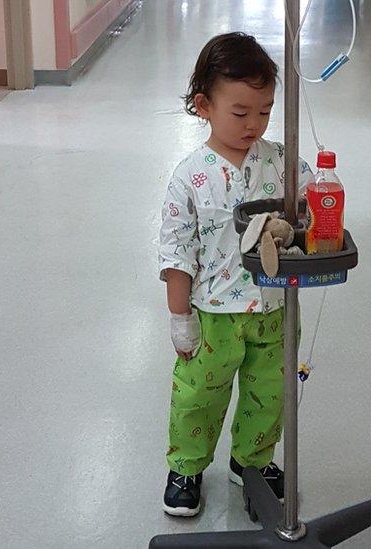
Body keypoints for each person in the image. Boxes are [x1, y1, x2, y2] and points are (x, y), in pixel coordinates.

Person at [158, 32, 313, 517]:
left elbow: (315, 195)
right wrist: (180, 317)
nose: (254, 124)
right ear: (204, 105)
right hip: (213, 314)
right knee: (199, 395)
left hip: (275, 306)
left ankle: (252, 462)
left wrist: (322, 199)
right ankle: (186, 465)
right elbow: (178, 253)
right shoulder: (190, 175)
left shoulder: (280, 161)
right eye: (241, 112)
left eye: (265, 111)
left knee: (270, 394)